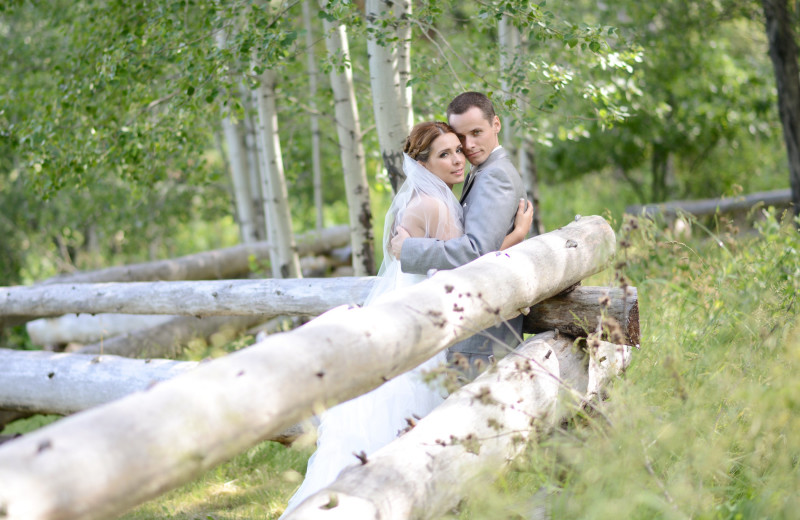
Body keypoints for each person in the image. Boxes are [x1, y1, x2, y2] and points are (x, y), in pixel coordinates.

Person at [281, 121, 531, 517]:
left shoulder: (436, 200)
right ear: (422, 163)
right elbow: (463, 266)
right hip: (421, 333)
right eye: (443, 154)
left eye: (457, 151)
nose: (456, 160)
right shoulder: (432, 205)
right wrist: (515, 239)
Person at [391, 92, 527, 375]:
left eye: (476, 132)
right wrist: (514, 237)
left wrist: (409, 250)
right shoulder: (477, 173)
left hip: (480, 333)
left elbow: (476, 250)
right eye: (461, 137)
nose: (468, 146)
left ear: (496, 125)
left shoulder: (494, 175)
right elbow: (482, 249)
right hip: (465, 330)